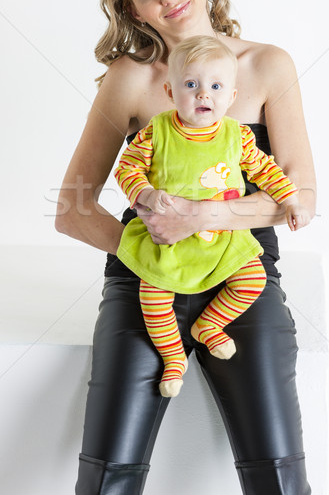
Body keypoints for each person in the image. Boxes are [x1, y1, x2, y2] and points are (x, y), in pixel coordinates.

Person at [55, 0, 316, 495]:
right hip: (145, 282)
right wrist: (146, 252)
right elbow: (72, 208)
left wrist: (199, 219)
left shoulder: (268, 66)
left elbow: (300, 195)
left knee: (278, 474)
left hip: (242, 274)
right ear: (134, 12)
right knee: (107, 475)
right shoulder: (129, 80)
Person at [114, 35, 311, 398]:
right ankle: (173, 357)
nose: (204, 95)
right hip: (168, 242)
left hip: (222, 239)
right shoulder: (156, 131)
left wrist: (292, 200)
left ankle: (209, 325)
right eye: (191, 85)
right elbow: (127, 167)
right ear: (171, 92)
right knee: (153, 295)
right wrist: (144, 192)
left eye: (216, 86)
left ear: (231, 97)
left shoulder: (237, 135)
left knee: (253, 279)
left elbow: (267, 171)